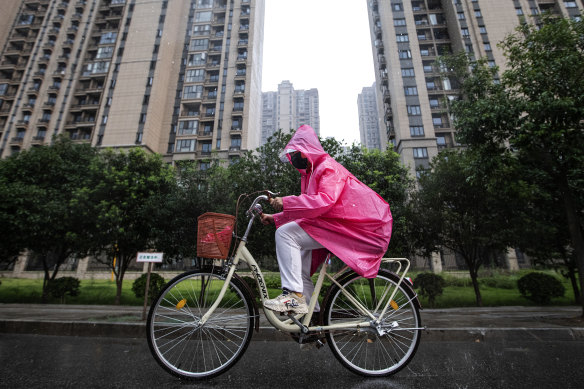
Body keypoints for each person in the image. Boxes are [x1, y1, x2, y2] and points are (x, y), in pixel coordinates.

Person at [260, 125, 393, 314]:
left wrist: (286, 202)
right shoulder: (311, 174)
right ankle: (313, 320)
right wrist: (276, 218)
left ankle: (294, 296)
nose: (295, 159)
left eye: (297, 153)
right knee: (300, 272)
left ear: (307, 151)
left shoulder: (327, 167)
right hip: (331, 227)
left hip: (351, 228)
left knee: (285, 234)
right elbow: (308, 209)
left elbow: (323, 202)